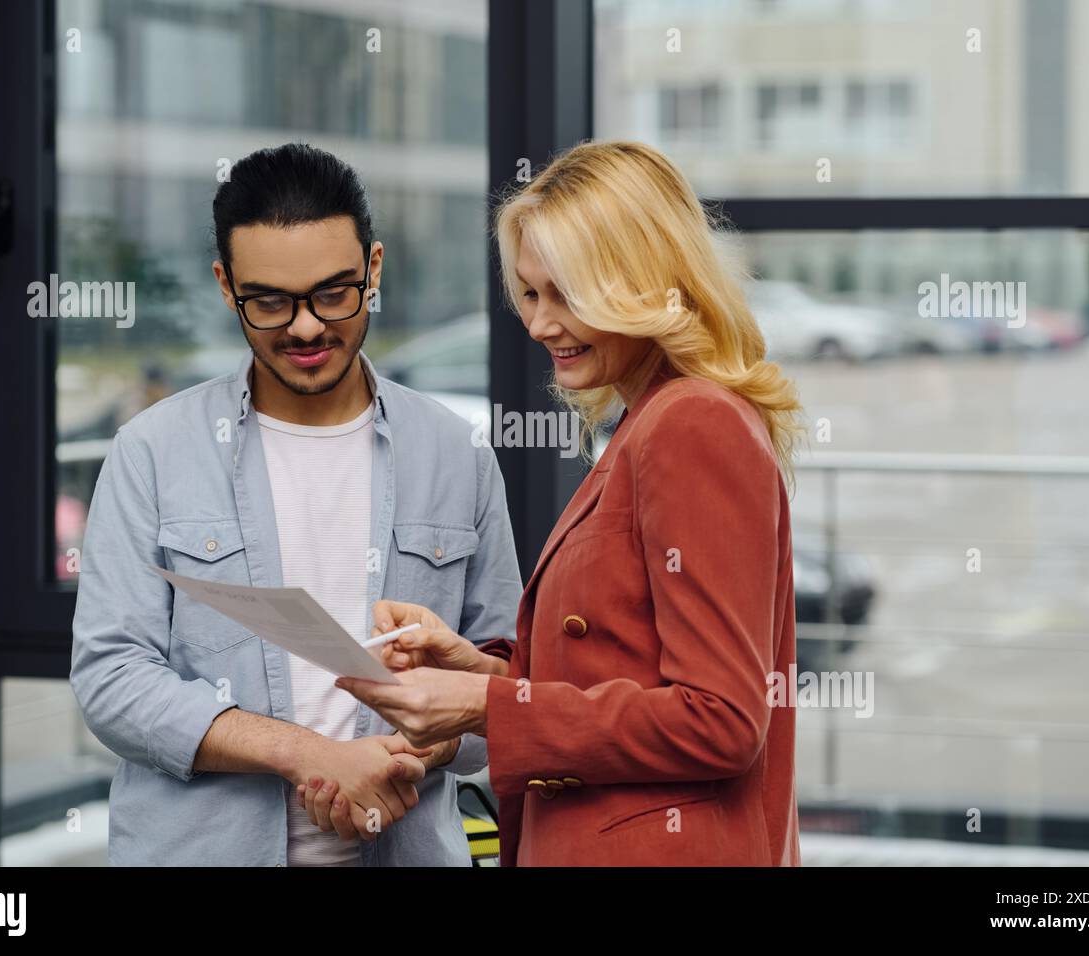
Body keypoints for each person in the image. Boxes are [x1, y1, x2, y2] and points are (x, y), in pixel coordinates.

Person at [326, 140, 805, 866]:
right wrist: (474, 672)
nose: (539, 324)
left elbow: (722, 721)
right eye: (529, 293)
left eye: (565, 295)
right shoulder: (657, 420)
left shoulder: (691, 424)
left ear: (641, 286)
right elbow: (620, 674)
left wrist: (486, 707)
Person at [70, 143, 522, 866]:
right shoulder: (152, 450)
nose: (306, 327)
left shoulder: (455, 453)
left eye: (333, 293)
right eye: (270, 301)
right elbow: (112, 678)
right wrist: (309, 756)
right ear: (226, 286)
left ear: (374, 269)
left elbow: (500, 681)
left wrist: (415, 753)